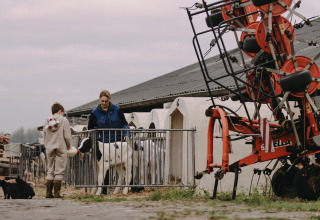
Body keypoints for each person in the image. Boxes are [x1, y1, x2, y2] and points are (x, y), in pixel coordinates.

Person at [88, 90, 130, 194]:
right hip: (104, 143)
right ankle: (104, 189)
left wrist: (126, 134)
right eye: (102, 101)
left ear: (109, 100)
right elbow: (90, 129)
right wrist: (93, 140)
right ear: (99, 100)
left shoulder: (117, 109)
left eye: (106, 101)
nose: (104, 103)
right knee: (104, 166)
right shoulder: (94, 113)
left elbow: (125, 124)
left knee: (123, 164)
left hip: (118, 141)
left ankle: (129, 186)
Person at [43, 102, 71, 198]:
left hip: (49, 147)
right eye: (63, 112)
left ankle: (48, 193)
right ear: (60, 111)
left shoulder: (47, 121)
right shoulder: (64, 120)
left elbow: (44, 135)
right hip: (60, 146)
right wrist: (69, 145)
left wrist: (46, 145)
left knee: (50, 169)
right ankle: (57, 193)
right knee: (59, 170)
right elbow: (67, 135)